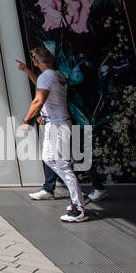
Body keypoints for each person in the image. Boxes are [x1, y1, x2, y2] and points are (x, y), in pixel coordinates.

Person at [17, 48, 88, 223]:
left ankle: (79, 206)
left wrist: (26, 120)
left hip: (57, 124)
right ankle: (76, 196)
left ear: (36, 60)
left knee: (62, 164)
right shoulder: (56, 75)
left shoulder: (46, 77)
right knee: (49, 158)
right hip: (58, 123)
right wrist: (28, 71)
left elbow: (38, 99)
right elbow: (41, 87)